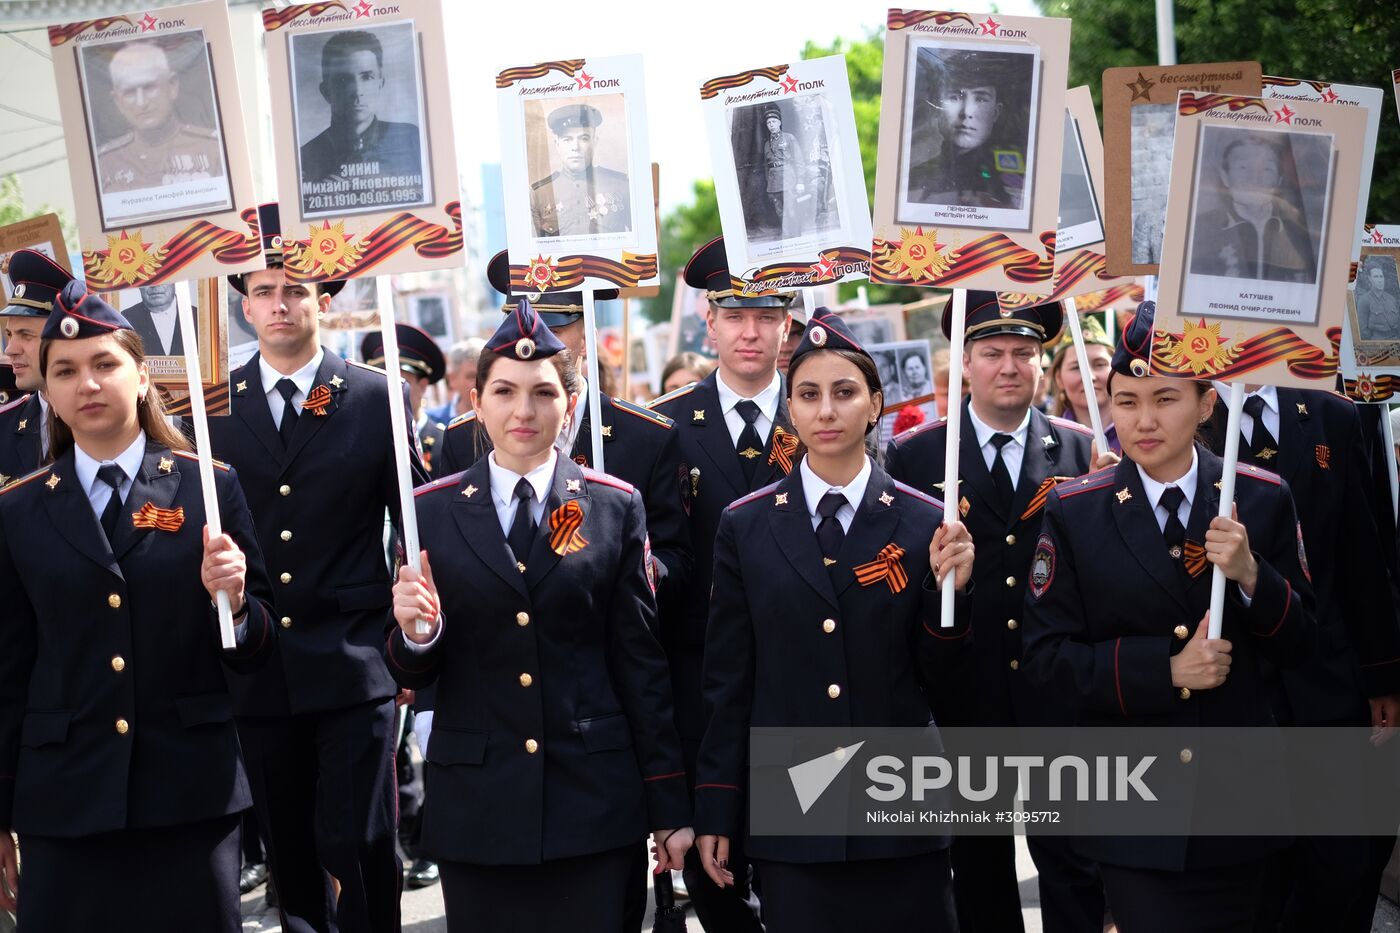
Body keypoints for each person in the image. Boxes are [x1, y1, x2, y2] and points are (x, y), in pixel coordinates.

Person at [382, 300, 692, 932]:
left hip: (595, 800)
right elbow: (414, 665)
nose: (523, 411)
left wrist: (668, 801)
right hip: (480, 804)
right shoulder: (429, 513)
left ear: (570, 405)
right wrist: (418, 633)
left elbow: (640, 663)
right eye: (504, 391)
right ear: (476, 400)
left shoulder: (613, 507)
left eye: (543, 393)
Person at [1022, 301, 1317, 932]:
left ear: (1207, 404)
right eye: (1126, 402)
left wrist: (1250, 577)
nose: (1144, 420)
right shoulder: (1076, 512)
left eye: (1166, 398)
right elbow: (1047, 661)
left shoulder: (1258, 497)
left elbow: (1304, 643)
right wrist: (1168, 669)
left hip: (1244, 802)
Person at [0, 282, 276, 931]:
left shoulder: (210, 485)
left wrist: (235, 603)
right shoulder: (18, 510)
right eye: (65, 371)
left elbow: (261, 648)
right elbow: (8, 674)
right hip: (63, 803)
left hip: (188, 795)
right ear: (45, 388)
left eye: (104, 364)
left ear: (142, 372)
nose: (86, 384)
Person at [694, 310, 974, 933]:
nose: (826, 411)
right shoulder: (746, 524)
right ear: (789, 408)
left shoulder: (928, 522)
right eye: (809, 394)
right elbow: (729, 682)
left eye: (844, 393)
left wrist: (949, 595)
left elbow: (947, 679)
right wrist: (717, 807)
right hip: (794, 800)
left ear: (876, 404)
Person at [206, 203, 427, 933]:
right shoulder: (211, 405)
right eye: (265, 289)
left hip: (354, 658)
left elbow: (415, 522)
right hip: (257, 664)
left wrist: (409, 632)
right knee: (290, 856)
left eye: (295, 288)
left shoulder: (373, 394)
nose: (279, 303)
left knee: (360, 843)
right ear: (244, 304)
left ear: (323, 302)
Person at [884, 292, 1104, 933]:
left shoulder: (1082, 450)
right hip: (965, 693)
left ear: (1042, 364)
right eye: (992, 353)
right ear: (965, 363)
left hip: (1055, 693)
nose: (1009, 366)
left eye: (1024, 353)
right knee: (978, 870)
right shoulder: (920, 454)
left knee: (1070, 865)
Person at [1199, 374, 1400, 931]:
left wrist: (1383, 672)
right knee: (1262, 875)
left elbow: (1363, 548)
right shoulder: (1181, 404)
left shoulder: (1331, 414)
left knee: (1343, 865)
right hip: (1232, 684)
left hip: (1325, 678)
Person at [647, 235, 799, 932]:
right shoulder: (660, 428)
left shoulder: (823, 413)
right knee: (718, 888)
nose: (750, 331)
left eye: (766, 315)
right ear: (708, 321)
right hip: (702, 693)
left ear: (787, 325)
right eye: (734, 314)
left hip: (806, 687)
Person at [437, 251, 691, 606]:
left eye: (554, 330)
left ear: (587, 337)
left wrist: (624, 569)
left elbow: (676, 556)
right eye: (521, 329)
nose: (537, 345)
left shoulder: (648, 436)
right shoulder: (464, 437)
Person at [299, 31, 424, 190]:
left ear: (380, 83)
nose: (358, 91)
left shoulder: (411, 140)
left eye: (366, 77)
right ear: (326, 91)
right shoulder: (305, 158)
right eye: (343, 80)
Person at [95, 40, 224, 194]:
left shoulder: (214, 149)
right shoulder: (104, 163)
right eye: (129, 93)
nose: (142, 103)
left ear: (172, 86)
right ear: (118, 101)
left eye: (149, 87)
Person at [1188, 134, 1317, 283]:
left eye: (1267, 169)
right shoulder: (1199, 230)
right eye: (1243, 167)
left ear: (1279, 180)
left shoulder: (1300, 231)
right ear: (1225, 177)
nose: (1254, 178)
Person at [907, 51, 1025, 210]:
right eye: (954, 97)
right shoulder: (915, 177)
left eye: (981, 98)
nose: (966, 112)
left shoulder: (1020, 181)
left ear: (996, 112)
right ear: (937, 107)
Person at [0, 249, 71, 482]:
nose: (10, 349)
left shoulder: (106, 421)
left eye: (26, 335)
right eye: (10, 334)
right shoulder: (3, 426)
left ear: (64, 337)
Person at [530, 104, 631, 238]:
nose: (575, 147)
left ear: (594, 142)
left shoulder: (621, 185)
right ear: (557, 144)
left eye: (584, 138)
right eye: (567, 139)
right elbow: (534, 253)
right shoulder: (539, 193)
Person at [361, 323, 448, 478]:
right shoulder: (363, 441)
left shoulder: (446, 444)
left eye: (400, 382)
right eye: (382, 381)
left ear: (422, 386)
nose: (389, 390)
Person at [1047, 313, 1119, 453]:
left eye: (1099, 364)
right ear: (1059, 378)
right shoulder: (1047, 438)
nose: (1089, 377)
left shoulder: (1138, 431)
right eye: (1076, 367)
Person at [762, 107, 806, 239]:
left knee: (791, 210)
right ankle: (788, 236)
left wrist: (800, 182)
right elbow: (766, 166)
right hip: (774, 182)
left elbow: (799, 160)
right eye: (769, 123)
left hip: (788, 178)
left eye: (774, 121)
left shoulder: (789, 138)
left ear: (780, 123)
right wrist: (768, 184)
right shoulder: (766, 144)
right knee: (780, 211)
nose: (771, 125)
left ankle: (795, 237)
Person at [426, 338, 485, 424]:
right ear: (452, 379)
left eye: (484, 375)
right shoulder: (432, 421)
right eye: (472, 376)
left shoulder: (500, 417)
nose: (480, 382)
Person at [123, 282, 183, 356]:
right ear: (138, 285)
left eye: (164, 279)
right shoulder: (125, 319)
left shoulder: (198, 317)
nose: (155, 285)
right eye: (149, 280)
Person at [1356, 262, 1400, 341]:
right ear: (1370, 278)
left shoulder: (1391, 299)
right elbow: (1363, 330)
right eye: (1376, 277)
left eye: (1381, 276)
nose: (1380, 280)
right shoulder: (1364, 300)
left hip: (1395, 339)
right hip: (1377, 341)